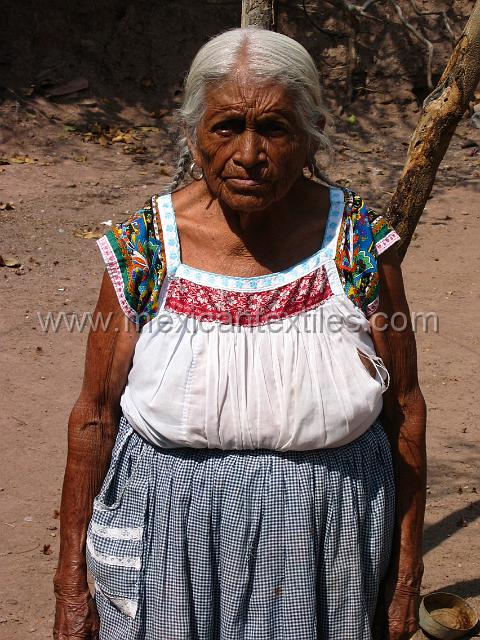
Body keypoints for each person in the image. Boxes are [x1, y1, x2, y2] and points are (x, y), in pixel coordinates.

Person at [53, 27, 426, 640]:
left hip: (327, 541)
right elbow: (93, 414)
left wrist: (405, 571)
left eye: (275, 129)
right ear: (194, 132)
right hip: (171, 543)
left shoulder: (359, 244)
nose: (249, 154)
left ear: (311, 135)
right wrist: (72, 586)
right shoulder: (142, 250)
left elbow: (405, 408)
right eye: (226, 127)